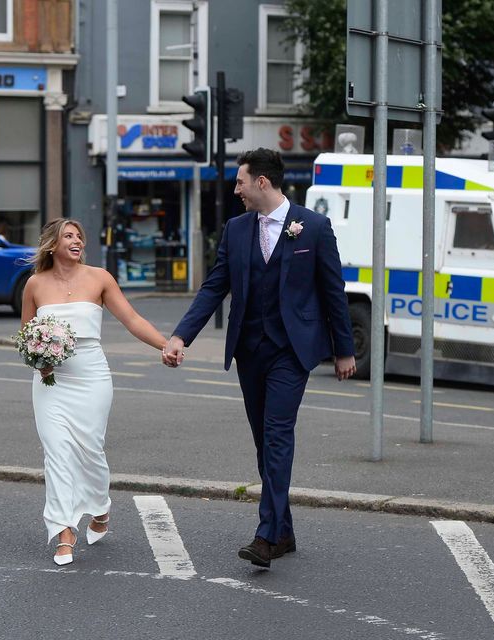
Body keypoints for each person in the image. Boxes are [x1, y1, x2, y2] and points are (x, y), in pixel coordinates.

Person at [162, 148, 356, 568]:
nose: (237, 190)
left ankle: (266, 536)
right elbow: (214, 288)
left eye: (240, 182)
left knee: (277, 436)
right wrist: (181, 336)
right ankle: (283, 530)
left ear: (262, 182)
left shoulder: (315, 228)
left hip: (292, 350)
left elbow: (333, 292)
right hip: (250, 349)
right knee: (262, 442)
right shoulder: (235, 229)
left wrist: (344, 350)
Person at [20, 218, 170, 566]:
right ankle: (64, 532)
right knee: (57, 453)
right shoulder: (34, 285)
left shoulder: (100, 278)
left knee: (90, 451)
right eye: (68, 236)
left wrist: (166, 345)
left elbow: (132, 319)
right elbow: (25, 337)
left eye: (79, 236)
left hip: (92, 378)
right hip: (49, 382)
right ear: (52, 245)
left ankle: (100, 507)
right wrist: (38, 361)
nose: (77, 241)